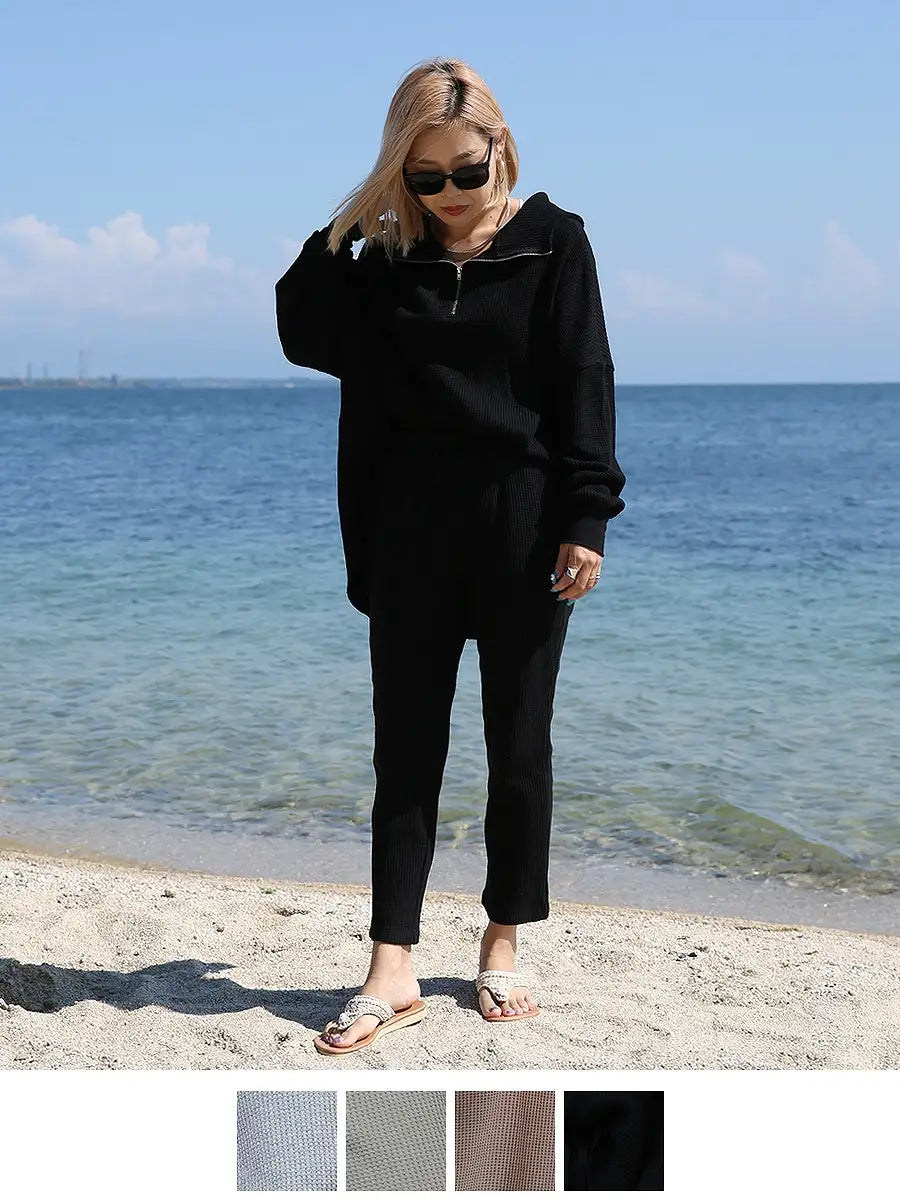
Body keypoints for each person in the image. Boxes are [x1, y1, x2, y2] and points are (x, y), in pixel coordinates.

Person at [275, 57, 626, 1054]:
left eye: (465, 172)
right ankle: (391, 966)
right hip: (410, 538)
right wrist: (355, 217)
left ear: (500, 149)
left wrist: (588, 518)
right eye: (422, 178)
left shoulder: (555, 242)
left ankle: (501, 943)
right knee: (406, 754)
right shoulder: (388, 263)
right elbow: (302, 329)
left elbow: (585, 379)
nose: (448, 196)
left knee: (519, 749)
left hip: (525, 531)